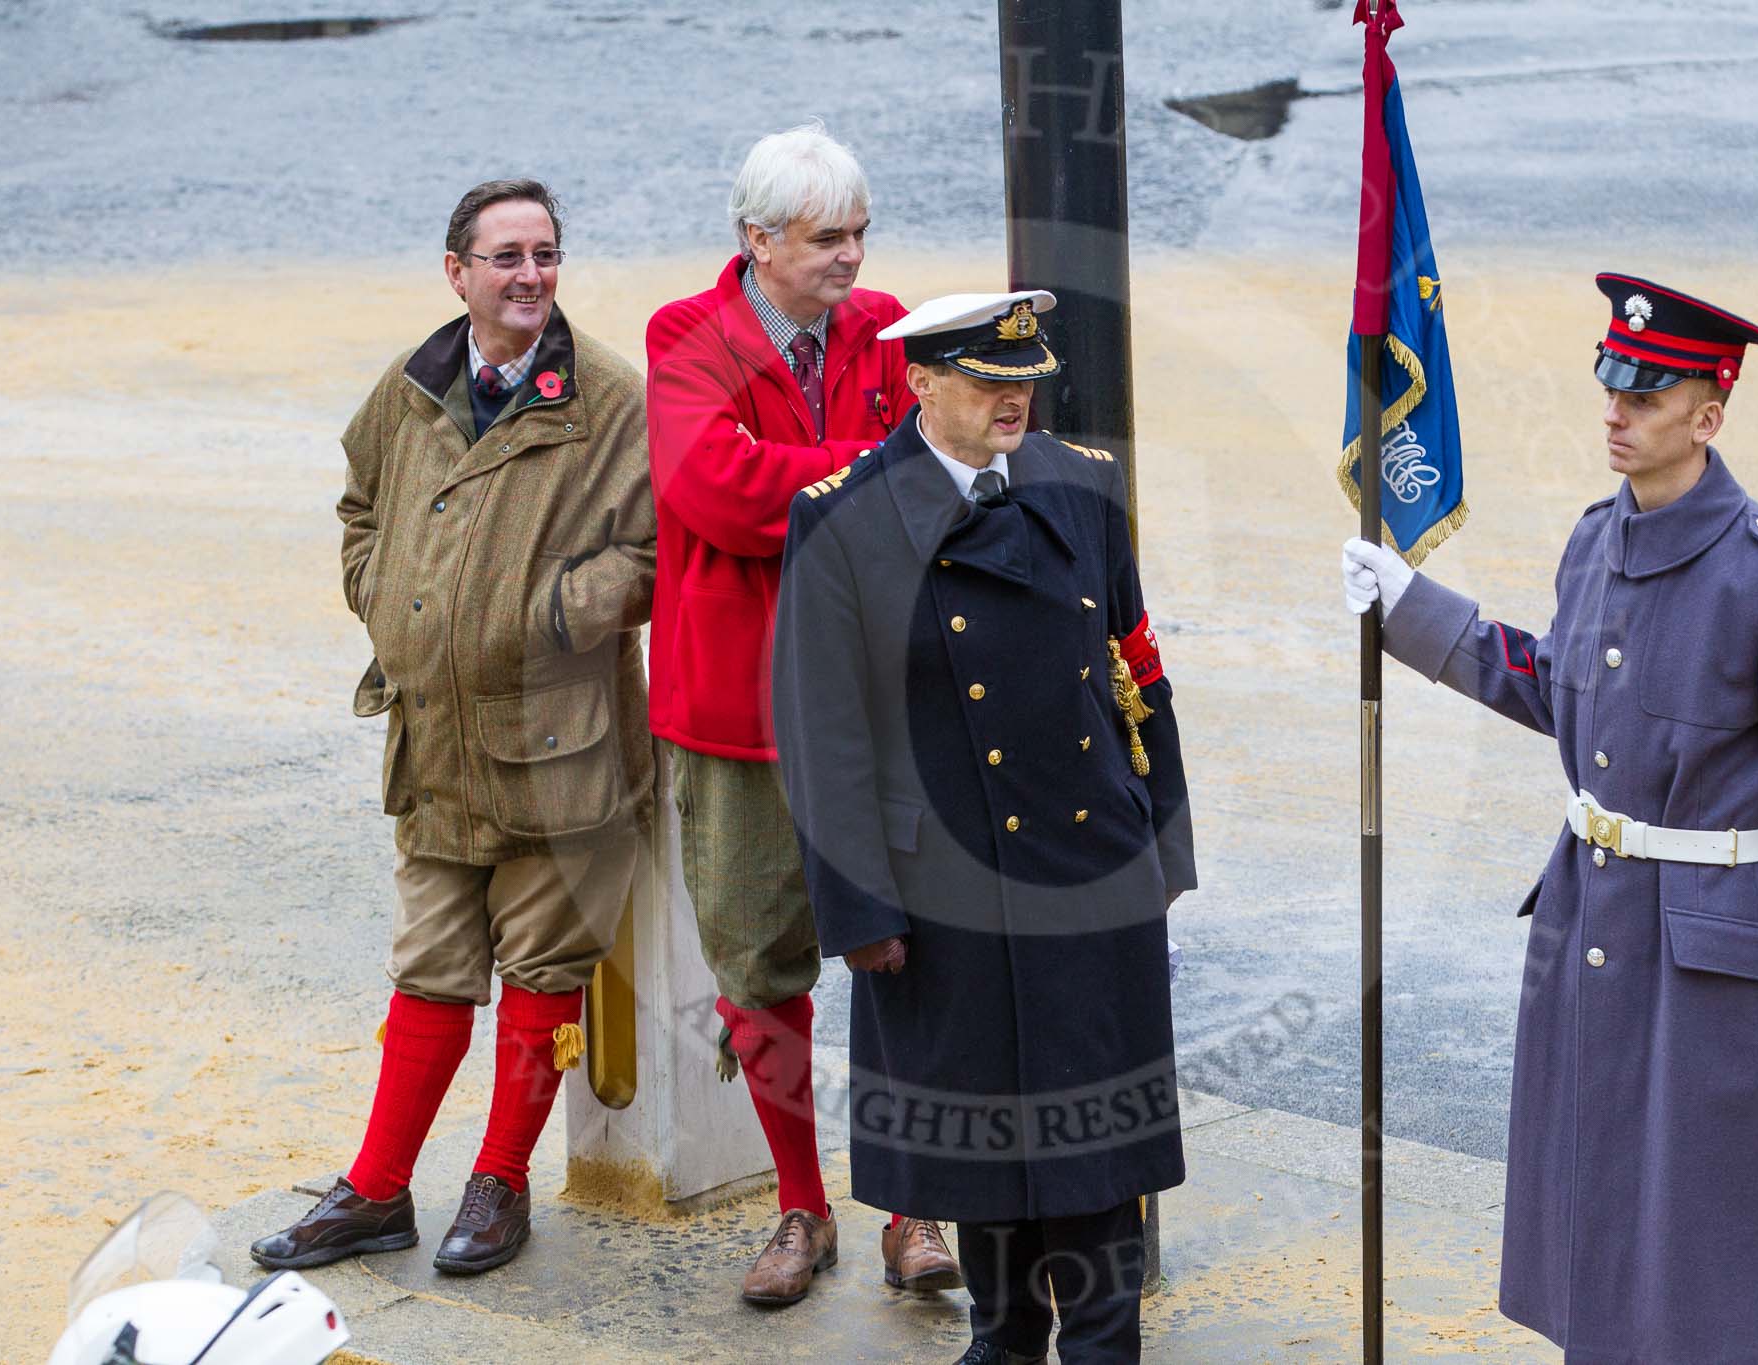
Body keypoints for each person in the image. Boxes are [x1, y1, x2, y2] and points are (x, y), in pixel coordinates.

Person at [1343, 272, 1758, 1364]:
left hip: (1709, 943)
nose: (1616, 411)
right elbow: (1553, 682)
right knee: (1611, 1238)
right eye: (1611, 384)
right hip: (1590, 918)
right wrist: (1411, 613)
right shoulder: (1592, 538)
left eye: (1646, 395)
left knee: (1729, 1251)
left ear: (1706, 416)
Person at [772, 289, 1197, 1364]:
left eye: (1024, 380)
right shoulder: (844, 518)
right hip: (940, 880)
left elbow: (1134, 673)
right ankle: (1003, 1338)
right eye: (987, 380)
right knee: (980, 1137)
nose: (1015, 399)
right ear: (918, 382)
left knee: (1098, 1136)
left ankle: (1105, 1346)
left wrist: (1163, 846)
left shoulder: (1083, 486)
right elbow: (823, 737)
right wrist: (858, 907)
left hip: (1089, 865)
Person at [252, 178, 656, 1277]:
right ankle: (378, 1190)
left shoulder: (610, 400)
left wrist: (551, 617)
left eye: (546, 255)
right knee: (428, 965)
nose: (531, 276)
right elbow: (359, 505)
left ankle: (498, 1185)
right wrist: (377, 590)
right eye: (507, 257)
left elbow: (659, 553)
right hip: (433, 737)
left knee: (542, 970)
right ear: (457, 272)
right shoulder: (413, 386)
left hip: (565, 745)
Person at [644, 121, 963, 1303]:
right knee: (759, 966)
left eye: (860, 233)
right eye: (827, 238)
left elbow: (941, 463)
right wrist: (873, 463)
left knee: (904, 953)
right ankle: (801, 1208)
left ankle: (913, 1209)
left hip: (877, 701)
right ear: (757, 238)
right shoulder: (686, 334)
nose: (851, 257)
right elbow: (712, 492)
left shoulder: (889, 328)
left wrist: (853, 466)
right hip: (735, 708)